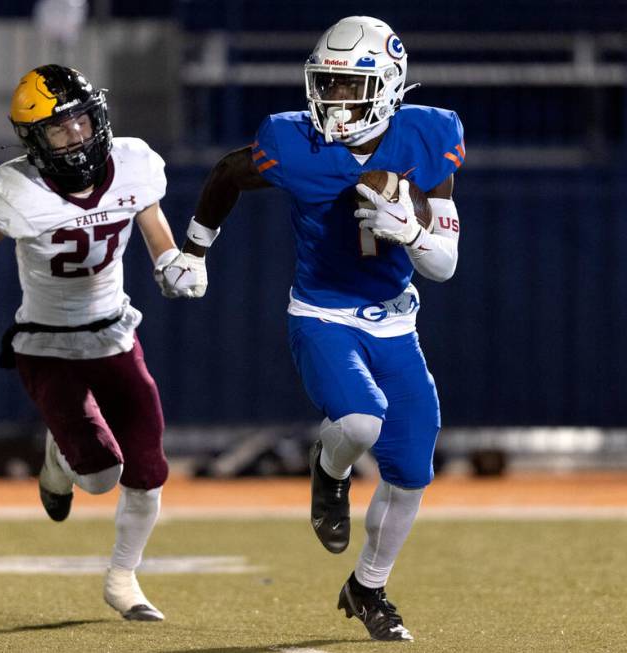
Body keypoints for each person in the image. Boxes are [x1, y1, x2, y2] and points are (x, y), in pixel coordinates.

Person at [156, 16, 464, 642]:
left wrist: (408, 230)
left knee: (411, 471)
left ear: (388, 86)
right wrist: (194, 248)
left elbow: (445, 265)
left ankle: (368, 588)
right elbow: (226, 173)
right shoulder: (293, 141)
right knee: (358, 421)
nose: (334, 100)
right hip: (321, 314)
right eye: (327, 84)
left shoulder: (429, 136)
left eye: (350, 87)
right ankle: (330, 472)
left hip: (395, 321)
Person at [0, 64, 185, 622]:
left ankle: (123, 578)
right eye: (61, 129)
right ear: (35, 141)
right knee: (98, 477)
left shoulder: (133, 162)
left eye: (84, 121)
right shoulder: (18, 190)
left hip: (113, 332)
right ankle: (59, 459)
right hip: (46, 344)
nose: (79, 136)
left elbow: (153, 221)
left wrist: (172, 265)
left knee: (149, 466)